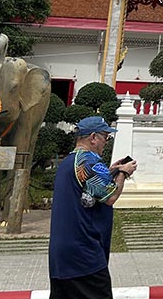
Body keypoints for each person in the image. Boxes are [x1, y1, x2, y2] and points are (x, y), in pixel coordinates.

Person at [49, 115, 137, 298]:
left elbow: (91, 186)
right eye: (105, 137)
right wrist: (123, 173)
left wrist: (110, 171)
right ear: (93, 137)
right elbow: (111, 196)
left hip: (62, 256)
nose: (106, 142)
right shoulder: (89, 162)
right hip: (84, 256)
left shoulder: (68, 162)